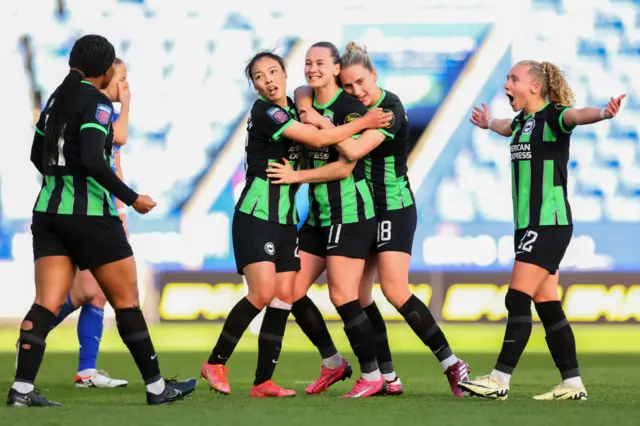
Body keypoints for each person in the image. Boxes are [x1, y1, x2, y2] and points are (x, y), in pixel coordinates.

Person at [268, 42, 470, 397]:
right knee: (356, 297)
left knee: (394, 290)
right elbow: (303, 90)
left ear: (374, 74)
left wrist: (318, 121)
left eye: (361, 82)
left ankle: (452, 363)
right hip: (359, 210)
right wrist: (306, 106)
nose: (356, 91)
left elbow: (353, 150)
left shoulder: (388, 109)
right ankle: (385, 377)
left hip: (392, 206)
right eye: (347, 86)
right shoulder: (348, 109)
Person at [7, 34, 196, 407]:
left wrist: (59, 179)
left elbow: (35, 154)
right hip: (91, 216)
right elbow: (94, 160)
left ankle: (22, 389)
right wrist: (133, 198)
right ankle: (157, 388)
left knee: (46, 304)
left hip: (48, 212)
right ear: (107, 69)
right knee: (127, 302)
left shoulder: (54, 100)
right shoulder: (96, 104)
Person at [199, 51, 389, 398]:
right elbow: (318, 140)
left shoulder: (294, 107)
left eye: (273, 71)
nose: (268, 80)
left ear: (285, 75)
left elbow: (309, 103)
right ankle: (216, 362)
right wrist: (364, 122)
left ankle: (262, 382)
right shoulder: (266, 111)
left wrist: (309, 107)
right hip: (258, 214)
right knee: (261, 294)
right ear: (254, 85)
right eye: (259, 76)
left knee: (286, 296)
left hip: (286, 219)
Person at [457, 60, 625, 401]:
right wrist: (487, 123)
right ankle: (572, 383)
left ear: (535, 87)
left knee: (516, 296)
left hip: (549, 222)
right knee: (547, 303)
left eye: (513, 79)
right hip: (529, 225)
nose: (507, 85)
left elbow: (577, 116)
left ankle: (499, 379)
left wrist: (604, 114)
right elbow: (506, 127)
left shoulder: (553, 117)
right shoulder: (521, 122)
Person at [47, 57, 130, 389]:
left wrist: (122, 213)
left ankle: (86, 371)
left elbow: (116, 164)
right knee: (88, 292)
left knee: (94, 294)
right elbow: (119, 140)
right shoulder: (94, 111)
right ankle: (33, 332)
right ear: (105, 77)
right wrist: (128, 105)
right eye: (121, 79)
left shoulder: (99, 112)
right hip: (83, 211)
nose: (125, 86)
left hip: (101, 210)